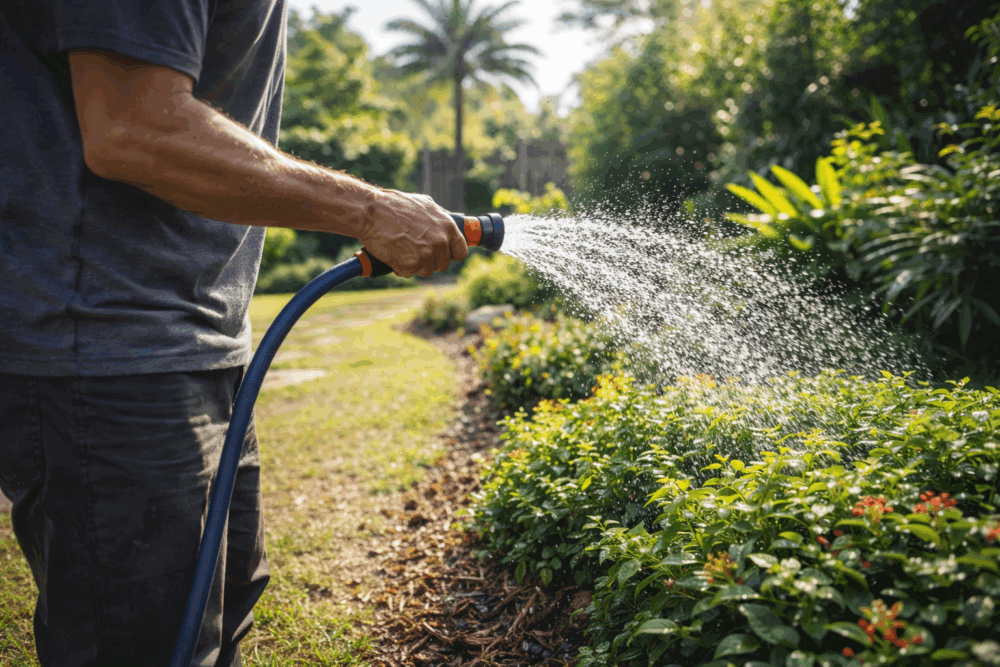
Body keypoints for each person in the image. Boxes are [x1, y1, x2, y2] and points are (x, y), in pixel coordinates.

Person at [0, 0, 467, 665]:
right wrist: (366, 208)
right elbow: (131, 126)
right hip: (108, 355)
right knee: (147, 644)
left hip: (188, 344)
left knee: (209, 628)